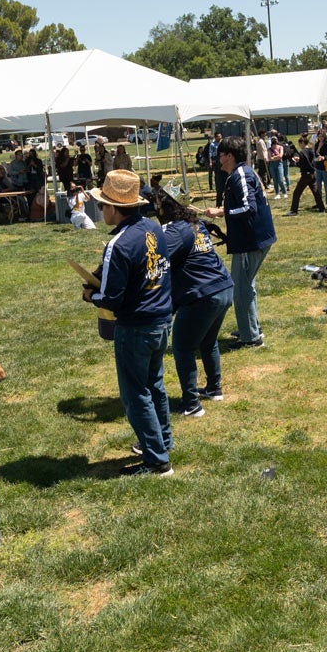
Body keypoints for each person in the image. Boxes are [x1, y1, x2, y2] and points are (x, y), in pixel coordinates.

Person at [86, 170, 176, 476]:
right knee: (154, 385)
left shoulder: (118, 244)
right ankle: (162, 441)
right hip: (161, 318)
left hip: (136, 325)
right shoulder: (153, 228)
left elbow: (111, 298)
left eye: (102, 205)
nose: (101, 210)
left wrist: (90, 295)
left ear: (114, 208)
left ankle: (156, 460)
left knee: (135, 393)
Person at [157, 186, 233, 418]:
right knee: (208, 341)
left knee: (182, 347)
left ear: (165, 208)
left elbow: (158, 259)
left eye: (158, 205)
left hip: (202, 295)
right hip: (223, 286)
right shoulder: (195, 224)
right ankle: (214, 388)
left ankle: (191, 404)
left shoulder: (174, 230)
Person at [202, 136, 275, 348]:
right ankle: (251, 327)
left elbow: (249, 208)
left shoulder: (241, 174)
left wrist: (221, 212)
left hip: (251, 241)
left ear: (230, 156)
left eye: (220, 154)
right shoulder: (239, 173)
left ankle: (251, 338)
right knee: (246, 286)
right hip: (252, 239)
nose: (218, 158)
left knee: (241, 289)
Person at [289, 134, 324, 215]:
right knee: (316, 192)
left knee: (297, 192)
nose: (299, 145)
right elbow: (313, 160)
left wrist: (295, 162)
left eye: (299, 143)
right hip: (313, 173)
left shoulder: (302, 152)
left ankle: (294, 210)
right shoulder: (311, 150)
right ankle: (322, 208)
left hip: (306, 175)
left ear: (302, 143)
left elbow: (301, 164)